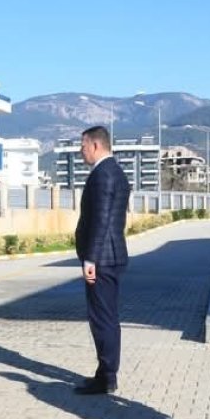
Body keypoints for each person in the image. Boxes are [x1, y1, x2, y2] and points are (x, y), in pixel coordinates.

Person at [73, 126, 130, 396]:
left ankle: (107, 377)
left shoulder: (103, 175)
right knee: (107, 317)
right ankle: (105, 372)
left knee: (102, 319)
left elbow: (101, 220)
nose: (80, 151)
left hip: (103, 258)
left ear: (95, 145)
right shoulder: (115, 172)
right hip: (111, 256)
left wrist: (90, 258)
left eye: (82, 146)